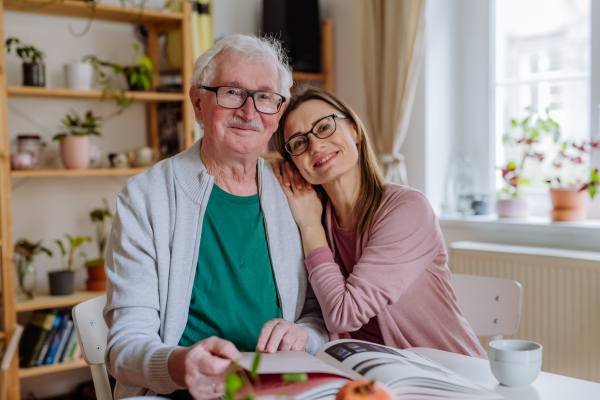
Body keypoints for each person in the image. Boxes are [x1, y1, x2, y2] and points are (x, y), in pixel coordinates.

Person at [103, 36, 328, 400]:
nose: (249, 111)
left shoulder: (295, 192)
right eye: (231, 92)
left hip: (278, 389)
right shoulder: (146, 197)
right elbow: (125, 348)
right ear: (198, 103)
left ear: (279, 114)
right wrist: (180, 365)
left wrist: (305, 334)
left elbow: (317, 313)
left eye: (266, 97)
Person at [271, 88, 487, 359]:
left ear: (354, 130)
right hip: (372, 373)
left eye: (324, 127)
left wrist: (310, 226)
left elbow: (342, 316)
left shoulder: (407, 209)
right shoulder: (317, 216)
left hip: (451, 374)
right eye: (299, 143)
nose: (315, 145)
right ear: (294, 163)